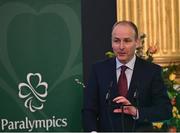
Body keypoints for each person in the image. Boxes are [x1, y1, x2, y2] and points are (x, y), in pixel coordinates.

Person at [82, 20, 172, 132]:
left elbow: (165, 110)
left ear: (137, 42)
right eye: (116, 41)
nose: (121, 47)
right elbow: (88, 110)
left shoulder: (151, 71)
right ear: (111, 42)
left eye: (127, 41)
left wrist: (137, 112)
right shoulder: (98, 70)